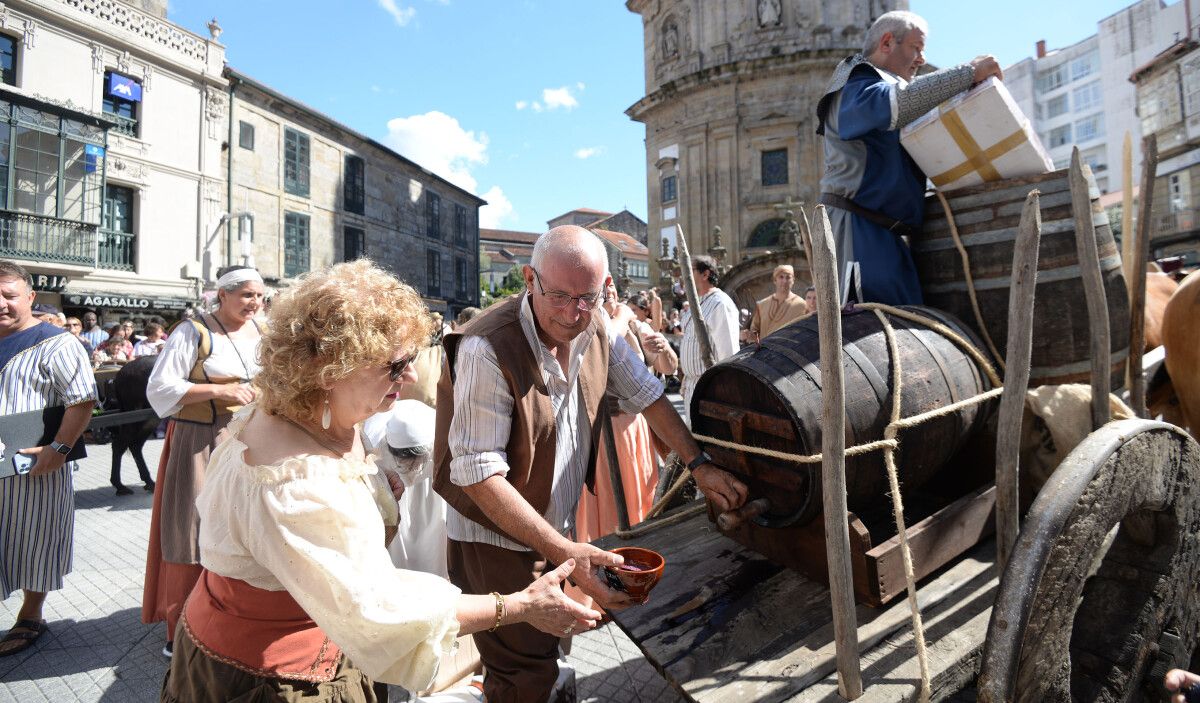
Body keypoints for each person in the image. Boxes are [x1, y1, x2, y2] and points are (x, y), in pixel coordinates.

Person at [161, 260, 598, 702]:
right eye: (394, 365)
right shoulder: (294, 480)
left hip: (302, 650)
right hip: (268, 678)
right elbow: (379, 610)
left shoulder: (315, 417)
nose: (409, 377)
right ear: (331, 369)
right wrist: (520, 606)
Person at [433, 226, 748, 703]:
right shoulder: (486, 347)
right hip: (493, 541)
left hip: (552, 525)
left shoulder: (596, 323)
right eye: (560, 296)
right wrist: (567, 553)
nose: (573, 312)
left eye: (588, 297)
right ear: (529, 279)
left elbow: (648, 396)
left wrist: (699, 464)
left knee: (546, 648)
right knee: (522, 673)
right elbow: (477, 474)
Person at [816, 10, 1002, 305]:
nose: (921, 59)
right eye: (916, 48)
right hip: (859, 232)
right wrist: (968, 72)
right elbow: (898, 103)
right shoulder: (856, 84)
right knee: (869, 331)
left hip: (890, 236)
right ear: (887, 42)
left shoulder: (885, 86)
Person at [142, 266, 265, 657]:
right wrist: (220, 388)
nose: (255, 302)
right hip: (202, 439)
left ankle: (230, 618)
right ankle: (179, 632)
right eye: (246, 294)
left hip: (250, 438)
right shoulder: (193, 332)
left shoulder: (264, 331)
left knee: (244, 526)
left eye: (260, 295)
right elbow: (160, 387)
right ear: (222, 295)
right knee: (192, 528)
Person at [0, 260, 97, 657]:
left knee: (35, 538)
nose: (1, 304)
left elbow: (82, 400)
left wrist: (58, 449)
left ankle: (31, 614)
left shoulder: (57, 342)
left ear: (29, 297)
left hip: (34, 465)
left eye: (9, 295)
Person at [575, 279, 678, 547]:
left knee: (642, 489)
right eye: (602, 290)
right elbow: (601, 347)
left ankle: (642, 549)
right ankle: (610, 554)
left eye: (611, 289)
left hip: (636, 427)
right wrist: (622, 315)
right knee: (608, 498)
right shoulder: (587, 325)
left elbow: (668, 367)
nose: (609, 294)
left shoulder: (633, 324)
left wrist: (663, 348)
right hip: (603, 431)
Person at [363, 399, 448, 577]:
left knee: (432, 547)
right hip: (394, 494)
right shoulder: (374, 439)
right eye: (402, 459)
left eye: (415, 460)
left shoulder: (439, 439)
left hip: (432, 494)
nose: (409, 468)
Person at [678, 254, 740, 415]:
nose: (683, 277)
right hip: (693, 385)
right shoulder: (696, 303)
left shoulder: (720, 303)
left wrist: (724, 390)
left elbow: (729, 351)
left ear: (705, 274)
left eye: (689, 271)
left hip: (711, 387)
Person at [749, 264, 807, 342]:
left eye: (788, 277)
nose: (784, 281)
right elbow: (754, 331)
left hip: (790, 352)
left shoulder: (802, 305)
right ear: (775, 280)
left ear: (793, 280)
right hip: (763, 352)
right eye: (781, 277)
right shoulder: (762, 304)